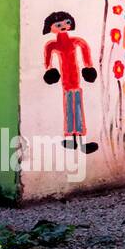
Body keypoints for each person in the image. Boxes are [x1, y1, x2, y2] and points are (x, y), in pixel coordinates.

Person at [42, 11, 98, 153]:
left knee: (76, 110)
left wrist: (88, 67)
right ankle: (74, 140)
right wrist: (50, 70)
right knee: (71, 111)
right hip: (67, 84)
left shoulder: (75, 41)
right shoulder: (53, 45)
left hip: (76, 83)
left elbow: (85, 48)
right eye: (58, 25)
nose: (63, 26)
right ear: (51, 28)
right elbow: (48, 58)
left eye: (66, 23)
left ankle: (79, 141)